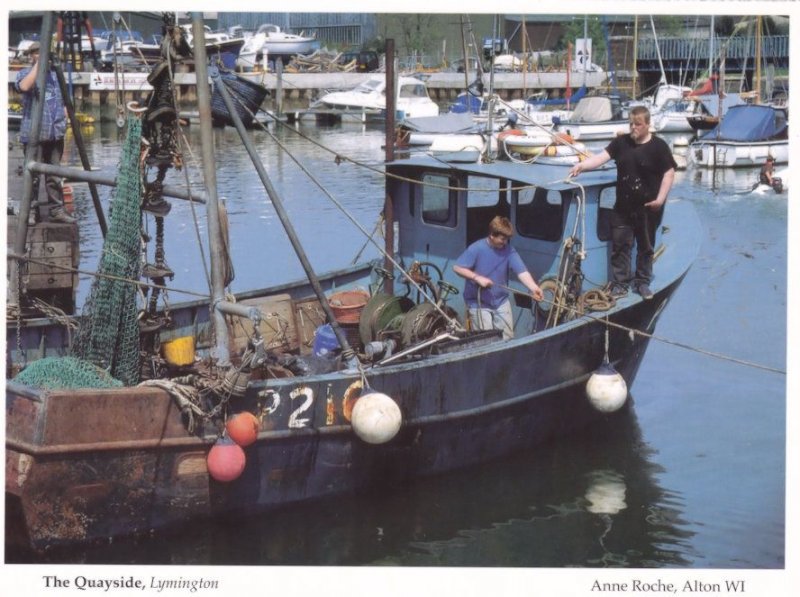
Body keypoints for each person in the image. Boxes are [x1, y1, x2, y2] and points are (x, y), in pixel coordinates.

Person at [568, 105, 676, 300]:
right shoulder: (621, 143)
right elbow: (601, 158)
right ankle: (620, 284)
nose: (633, 128)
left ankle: (642, 282)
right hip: (623, 208)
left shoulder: (659, 147)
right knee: (620, 247)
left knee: (645, 247)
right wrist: (582, 166)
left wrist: (660, 199)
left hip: (647, 208)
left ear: (647, 125)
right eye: (631, 124)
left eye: (638, 124)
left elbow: (669, 173)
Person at [454, 216, 544, 340]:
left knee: (507, 339)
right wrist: (477, 277)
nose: (505, 242)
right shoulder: (476, 248)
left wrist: (534, 288)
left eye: (507, 239)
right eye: (502, 239)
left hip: (501, 302)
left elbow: (521, 271)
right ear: (492, 235)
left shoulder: (509, 251)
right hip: (478, 303)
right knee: (485, 342)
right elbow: (457, 268)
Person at [15, 41, 74, 224]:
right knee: (32, 176)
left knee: (55, 175)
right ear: (31, 55)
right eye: (35, 53)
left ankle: (57, 209)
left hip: (55, 132)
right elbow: (24, 87)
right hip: (34, 133)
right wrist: (38, 66)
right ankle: (31, 211)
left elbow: (63, 100)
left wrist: (66, 116)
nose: (40, 56)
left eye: (42, 53)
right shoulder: (25, 73)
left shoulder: (56, 76)